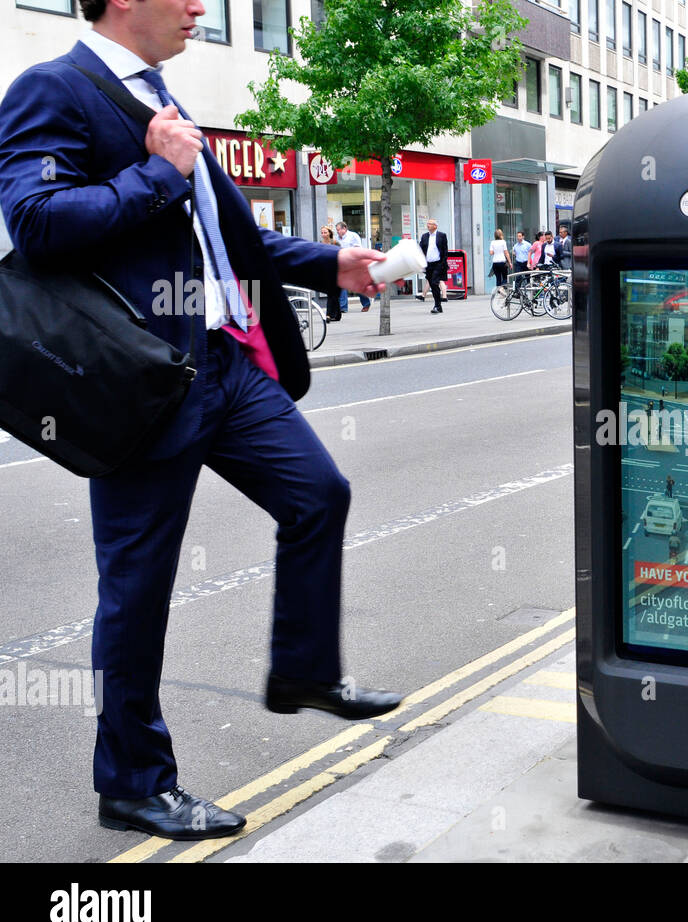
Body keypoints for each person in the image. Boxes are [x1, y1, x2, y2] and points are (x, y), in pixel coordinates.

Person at [0, 0, 404, 841]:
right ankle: (134, 783)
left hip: (223, 365)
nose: (197, 7)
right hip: (136, 386)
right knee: (137, 595)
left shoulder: (165, 106)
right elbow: (35, 225)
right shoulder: (55, 89)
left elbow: (234, 242)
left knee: (318, 494)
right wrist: (154, 175)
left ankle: (301, 671)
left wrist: (336, 262)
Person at [334, 220, 370, 313]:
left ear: (344, 228)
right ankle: (343, 307)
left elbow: (358, 249)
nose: (338, 232)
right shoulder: (336, 238)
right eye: (337, 230)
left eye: (339, 230)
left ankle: (366, 303)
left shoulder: (353, 236)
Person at [419, 219, 449, 313]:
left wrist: (443, 263)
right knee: (432, 285)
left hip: (438, 264)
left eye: (430, 224)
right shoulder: (424, 236)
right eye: (427, 224)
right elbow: (421, 249)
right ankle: (438, 306)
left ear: (435, 226)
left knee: (434, 282)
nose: (428, 225)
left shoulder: (442, 235)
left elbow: (445, 250)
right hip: (428, 265)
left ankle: (437, 305)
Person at [319, 225, 342, 322]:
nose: (323, 234)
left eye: (325, 232)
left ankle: (328, 315)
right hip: (325, 269)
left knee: (331, 292)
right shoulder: (320, 244)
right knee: (332, 293)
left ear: (329, 233)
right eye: (322, 232)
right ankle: (337, 315)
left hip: (335, 269)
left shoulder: (335, 243)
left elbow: (340, 254)